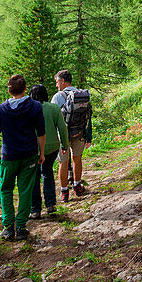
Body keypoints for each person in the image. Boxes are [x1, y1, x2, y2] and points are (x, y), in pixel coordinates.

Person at [0, 74, 45, 241]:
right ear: (25, 88)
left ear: (9, 90)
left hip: (9, 156)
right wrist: (41, 153)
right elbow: (41, 133)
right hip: (29, 155)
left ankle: (7, 228)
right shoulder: (35, 106)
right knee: (25, 190)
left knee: (5, 189)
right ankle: (21, 228)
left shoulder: (1, 109)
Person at [52, 69, 92, 201]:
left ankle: (64, 191)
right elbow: (88, 116)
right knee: (77, 159)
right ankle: (77, 185)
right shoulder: (81, 94)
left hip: (63, 135)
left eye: (57, 82)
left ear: (63, 81)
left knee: (63, 163)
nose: (56, 85)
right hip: (79, 132)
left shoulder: (58, 96)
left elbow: (53, 117)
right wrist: (88, 135)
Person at [28, 83, 67, 219]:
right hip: (52, 148)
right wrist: (65, 145)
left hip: (33, 149)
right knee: (48, 173)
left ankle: (35, 210)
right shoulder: (54, 108)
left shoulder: (29, 109)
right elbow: (62, 128)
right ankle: (50, 205)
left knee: (34, 178)